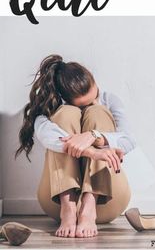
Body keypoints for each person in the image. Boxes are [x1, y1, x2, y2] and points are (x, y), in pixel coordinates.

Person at [15, 54, 136, 239]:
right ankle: (69, 207)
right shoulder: (54, 106)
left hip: (107, 201)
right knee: (66, 114)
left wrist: (93, 135)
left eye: (94, 95)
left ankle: (89, 204)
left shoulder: (109, 100)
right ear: (65, 97)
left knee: (98, 112)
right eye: (84, 104)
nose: (94, 101)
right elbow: (46, 135)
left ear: (93, 80)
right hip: (56, 203)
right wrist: (91, 152)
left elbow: (128, 140)